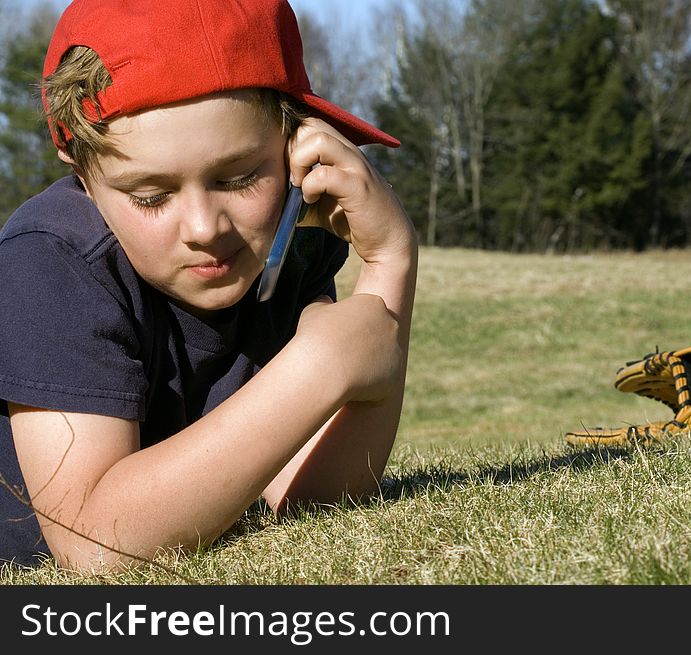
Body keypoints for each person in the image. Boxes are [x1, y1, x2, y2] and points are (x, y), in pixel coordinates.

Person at [0, 0, 417, 571]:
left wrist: (390, 263)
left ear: (298, 145)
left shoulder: (292, 246)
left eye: (240, 177)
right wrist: (318, 367)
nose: (204, 229)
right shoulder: (51, 260)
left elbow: (313, 502)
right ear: (80, 170)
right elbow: (92, 545)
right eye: (150, 196)